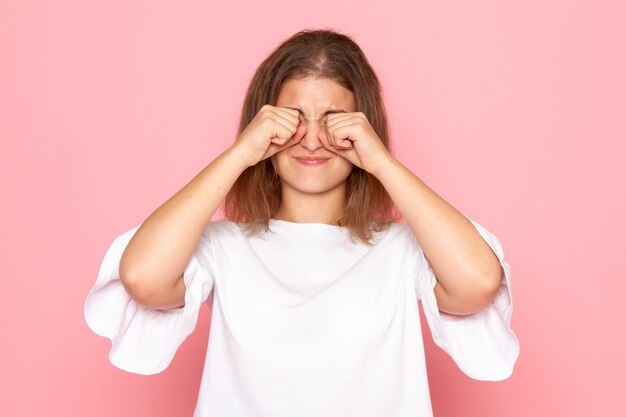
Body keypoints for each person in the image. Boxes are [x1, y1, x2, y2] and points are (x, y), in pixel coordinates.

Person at [84, 28, 519, 417]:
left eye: (333, 121)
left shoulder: (404, 250)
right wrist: (241, 154)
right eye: (292, 120)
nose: (312, 140)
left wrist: (382, 163)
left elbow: (478, 283)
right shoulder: (221, 246)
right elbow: (143, 277)